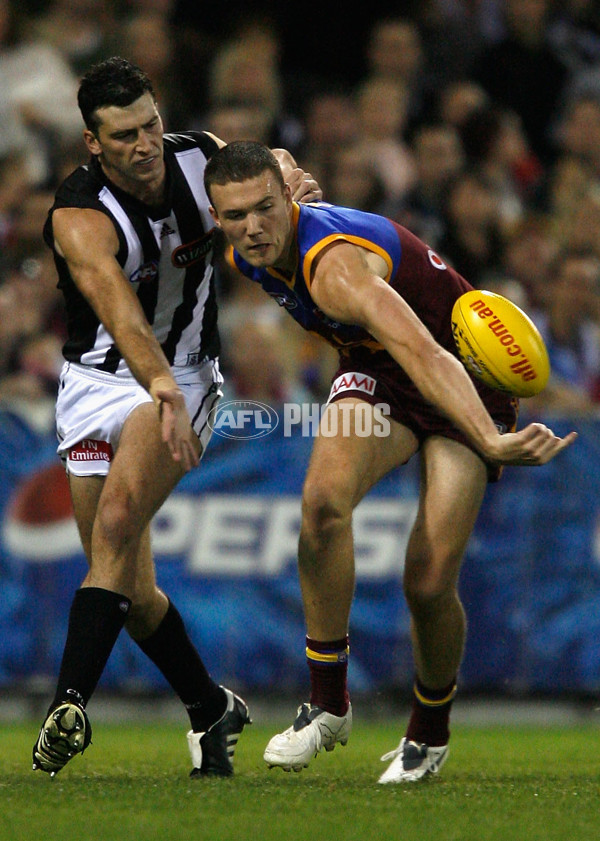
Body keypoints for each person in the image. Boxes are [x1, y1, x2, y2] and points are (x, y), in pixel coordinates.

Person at [203, 140, 577, 784]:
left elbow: (429, 358)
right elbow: (276, 154)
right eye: (235, 216)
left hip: (462, 377)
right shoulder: (255, 233)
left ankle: (428, 735)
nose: (252, 227)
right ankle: (327, 704)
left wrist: (488, 437)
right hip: (377, 370)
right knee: (321, 505)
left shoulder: (337, 271)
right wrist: (285, 165)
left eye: (265, 209)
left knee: (428, 582)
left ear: (288, 202)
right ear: (216, 217)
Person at [31, 57, 321, 779]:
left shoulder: (200, 159)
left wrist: (290, 176)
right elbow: (120, 311)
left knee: (118, 523)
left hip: (187, 374)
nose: (145, 142)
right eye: (124, 134)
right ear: (93, 143)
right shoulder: (78, 214)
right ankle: (208, 705)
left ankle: (68, 704)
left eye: (151, 123)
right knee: (127, 587)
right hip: (100, 380)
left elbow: (263, 171)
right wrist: (153, 384)